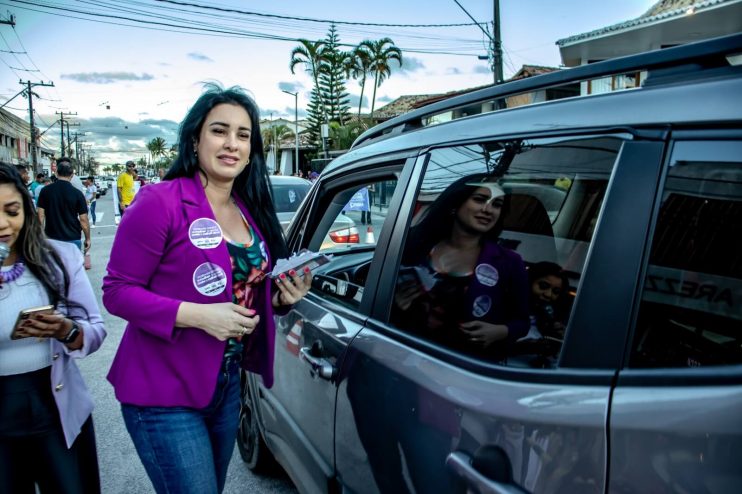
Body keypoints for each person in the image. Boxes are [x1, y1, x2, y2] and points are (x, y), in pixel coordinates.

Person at [102, 84, 312, 494]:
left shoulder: (250, 210)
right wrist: (198, 315)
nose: (232, 143)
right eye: (219, 130)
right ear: (195, 138)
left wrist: (280, 299)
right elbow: (116, 290)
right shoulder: (159, 202)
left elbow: (243, 291)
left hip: (225, 386)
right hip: (162, 391)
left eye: (244, 134)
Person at [0, 162, 106, 493]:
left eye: (12, 211)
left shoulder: (59, 258)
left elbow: (95, 329)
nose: (3, 224)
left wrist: (66, 330)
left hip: (54, 405)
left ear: (27, 211)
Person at [393, 173, 530, 361]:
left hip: (467, 370)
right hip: (407, 357)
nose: (488, 210)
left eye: (497, 204)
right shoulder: (416, 247)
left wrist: (500, 331)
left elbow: (522, 322)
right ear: (456, 204)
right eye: (480, 199)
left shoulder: (510, 262)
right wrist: (397, 304)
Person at [36, 157, 91, 252]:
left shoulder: (45, 191)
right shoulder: (77, 194)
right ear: (72, 174)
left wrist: (40, 236)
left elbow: (40, 216)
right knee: (73, 266)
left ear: (56, 173)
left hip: (51, 238)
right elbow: (84, 220)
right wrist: (88, 239)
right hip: (73, 238)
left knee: (54, 266)